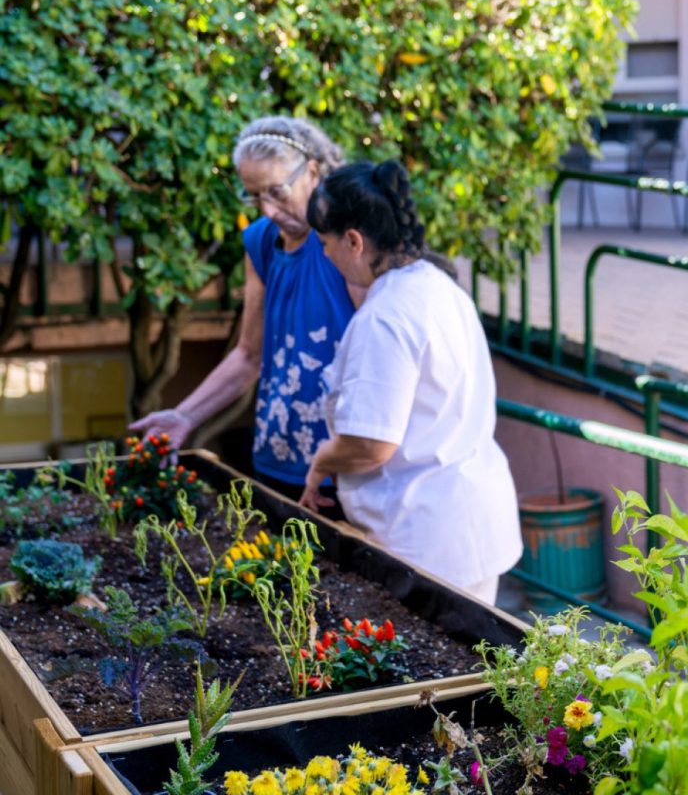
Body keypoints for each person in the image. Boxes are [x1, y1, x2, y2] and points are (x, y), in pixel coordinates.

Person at [298, 160, 522, 606]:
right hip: (464, 522)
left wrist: (322, 460)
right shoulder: (437, 285)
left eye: (325, 243)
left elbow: (372, 444)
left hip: (426, 539)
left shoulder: (385, 316)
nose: (324, 255)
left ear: (354, 241)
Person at [131, 117, 361, 505]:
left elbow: (371, 353)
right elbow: (249, 355)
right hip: (275, 459)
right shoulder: (260, 242)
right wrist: (185, 416)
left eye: (277, 192)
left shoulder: (344, 240)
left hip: (339, 469)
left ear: (312, 172)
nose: (268, 209)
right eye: (254, 197)